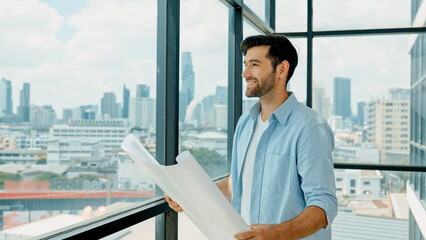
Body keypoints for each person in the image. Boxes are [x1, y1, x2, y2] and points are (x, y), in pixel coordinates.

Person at [165, 34, 337, 240]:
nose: (245, 73)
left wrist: (275, 234)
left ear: (282, 69)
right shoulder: (245, 123)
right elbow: (236, 184)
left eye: (254, 64)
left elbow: (324, 205)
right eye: (246, 64)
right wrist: (189, 196)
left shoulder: (310, 127)